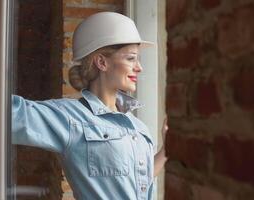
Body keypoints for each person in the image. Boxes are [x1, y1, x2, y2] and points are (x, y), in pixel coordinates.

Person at [12, 12, 168, 200]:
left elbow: (137, 183)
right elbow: (5, 115)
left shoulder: (137, 126)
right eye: (131, 58)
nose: (139, 67)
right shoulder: (71, 118)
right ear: (102, 62)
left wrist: (166, 151)